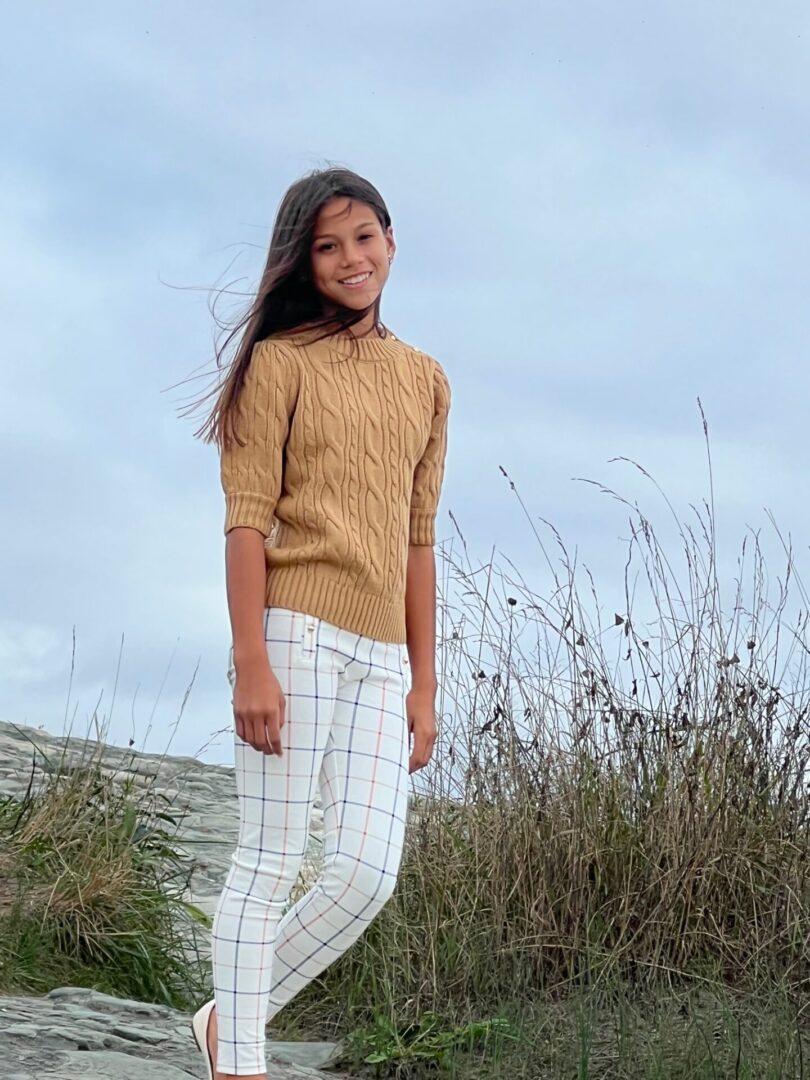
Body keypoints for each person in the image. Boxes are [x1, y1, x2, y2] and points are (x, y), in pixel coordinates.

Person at [189, 166, 452, 1080]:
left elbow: (419, 543)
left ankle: (229, 1021)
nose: (351, 259)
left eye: (365, 239)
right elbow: (246, 519)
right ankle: (242, 1066)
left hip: (384, 658)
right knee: (270, 857)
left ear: (391, 241)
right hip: (294, 630)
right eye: (328, 245)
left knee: (365, 875)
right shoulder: (281, 363)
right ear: (304, 260)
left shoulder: (426, 380)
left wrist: (425, 683)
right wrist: (250, 659)